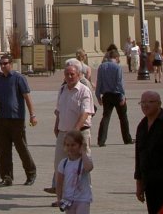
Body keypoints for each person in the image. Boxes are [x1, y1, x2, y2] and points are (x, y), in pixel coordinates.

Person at [46, 58, 93, 195]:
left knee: (83, 165)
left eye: (72, 74)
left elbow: (85, 112)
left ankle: (84, 193)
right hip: (63, 133)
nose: (70, 77)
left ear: (78, 75)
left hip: (80, 134)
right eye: (67, 74)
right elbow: (59, 110)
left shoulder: (84, 90)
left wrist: (75, 131)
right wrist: (56, 126)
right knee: (60, 165)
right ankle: (62, 196)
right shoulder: (62, 90)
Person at [0, 52, 38, 187]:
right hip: (1, 119)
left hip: (16, 119)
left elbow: (27, 97)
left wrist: (32, 115)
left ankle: (31, 173)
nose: (3, 66)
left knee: (21, 147)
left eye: (5, 63)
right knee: (3, 150)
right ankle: (7, 177)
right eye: (1, 64)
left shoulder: (19, 78)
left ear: (11, 64)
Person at [95, 46, 133, 146]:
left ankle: (101, 140)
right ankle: (127, 139)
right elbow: (119, 83)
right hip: (117, 94)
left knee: (106, 117)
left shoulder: (102, 67)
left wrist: (98, 96)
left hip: (106, 95)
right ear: (116, 58)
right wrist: (123, 96)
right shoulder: (117, 67)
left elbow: (99, 82)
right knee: (123, 117)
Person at [56, 129, 94, 214]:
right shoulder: (63, 163)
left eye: (73, 145)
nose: (70, 148)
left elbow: (89, 168)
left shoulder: (84, 160)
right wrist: (59, 198)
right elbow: (59, 183)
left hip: (83, 199)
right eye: (67, 145)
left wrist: (84, 152)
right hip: (68, 199)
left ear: (80, 145)